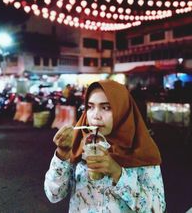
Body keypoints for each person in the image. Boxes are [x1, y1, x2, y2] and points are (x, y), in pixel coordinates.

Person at [44, 80, 166, 213]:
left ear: (123, 111)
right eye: (90, 107)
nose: (95, 115)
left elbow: (157, 209)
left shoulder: (141, 150)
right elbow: (53, 195)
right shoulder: (77, 144)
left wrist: (118, 173)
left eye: (106, 107)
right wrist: (62, 154)